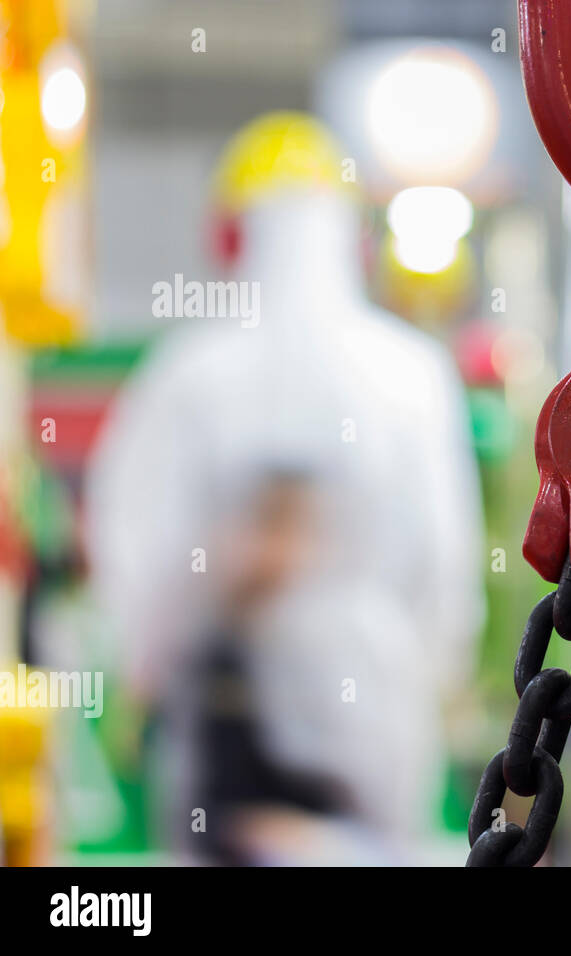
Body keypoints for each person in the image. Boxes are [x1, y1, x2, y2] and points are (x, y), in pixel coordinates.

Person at [84, 112, 484, 862]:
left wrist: (140, 680)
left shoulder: (187, 374)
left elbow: (142, 559)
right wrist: (428, 675)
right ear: (355, 236)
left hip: (222, 724)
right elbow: (445, 561)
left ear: (229, 234)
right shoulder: (415, 376)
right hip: (381, 713)